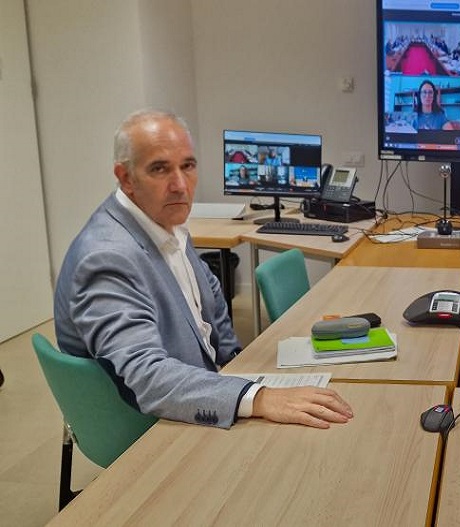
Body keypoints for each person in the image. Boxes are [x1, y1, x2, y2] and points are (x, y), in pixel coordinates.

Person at [54, 109, 354, 429]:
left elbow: (208, 294)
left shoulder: (162, 219)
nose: (180, 185)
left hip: (205, 384)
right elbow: (147, 378)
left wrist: (234, 361)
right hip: (153, 418)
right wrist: (257, 397)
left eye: (188, 166)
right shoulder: (106, 257)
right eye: (159, 169)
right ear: (126, 178)